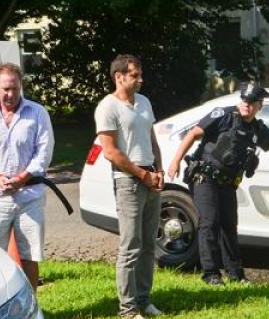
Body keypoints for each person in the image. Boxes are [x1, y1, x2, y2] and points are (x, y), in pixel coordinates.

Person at [168, 82, 269, 285]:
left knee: (229, 226)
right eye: (244, 100)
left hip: (226, 183)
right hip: (204, 177)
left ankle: (235, 274)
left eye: (251, 102)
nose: (246, 105)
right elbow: (193, 134)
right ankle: (211, 274)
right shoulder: (223, 115)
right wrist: (175, 161)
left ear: (260, 105)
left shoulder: (256, 129)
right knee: (210, 223)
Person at [0, 63, 54, 292]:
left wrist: (22, 178)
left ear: (21, 86)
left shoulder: (37, 113)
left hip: (29, 196)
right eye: (6, 88)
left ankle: (29, 306)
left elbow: (44, 153)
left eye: (15, 88)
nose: (10, 94)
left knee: (29, 257)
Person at [95, 54, 163, 319]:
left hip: (149, 177)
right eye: (134, 75)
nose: (140, 80)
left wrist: (158, 170)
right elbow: (110, 152)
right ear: (119, 76)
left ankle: (144, 300)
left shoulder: (144, 102)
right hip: (127, 182)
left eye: (140, 74)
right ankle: (128, 309)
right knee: (130, 246)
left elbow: (151, 139)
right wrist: (141, 175)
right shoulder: (107, 107)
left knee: (148, 244)